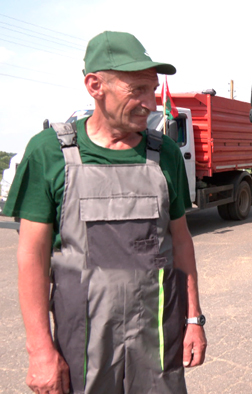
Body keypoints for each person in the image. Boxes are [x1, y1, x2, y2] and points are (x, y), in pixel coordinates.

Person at [3, 31, 206, 394]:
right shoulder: (49, 153)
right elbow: (31, 256)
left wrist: (193, 319)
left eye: (153, 89)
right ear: (95, 85)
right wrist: (39, 350)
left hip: (156, 337)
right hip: (82, 342)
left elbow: (181, 242)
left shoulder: (165, 155)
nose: (150, 103)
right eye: (137, 90)